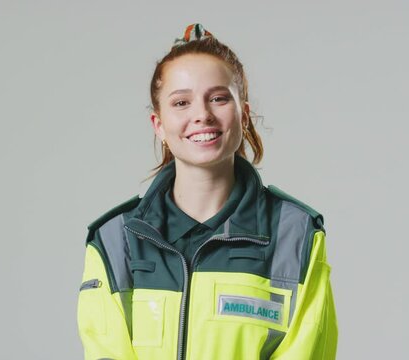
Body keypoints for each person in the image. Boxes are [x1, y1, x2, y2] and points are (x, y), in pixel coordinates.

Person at [77, 23, 338, 360]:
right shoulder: (116, 242)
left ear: (243, 115)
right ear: (159, 125)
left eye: (217, 98)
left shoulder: (295, 235)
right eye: (181, 102)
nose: (202, 115)